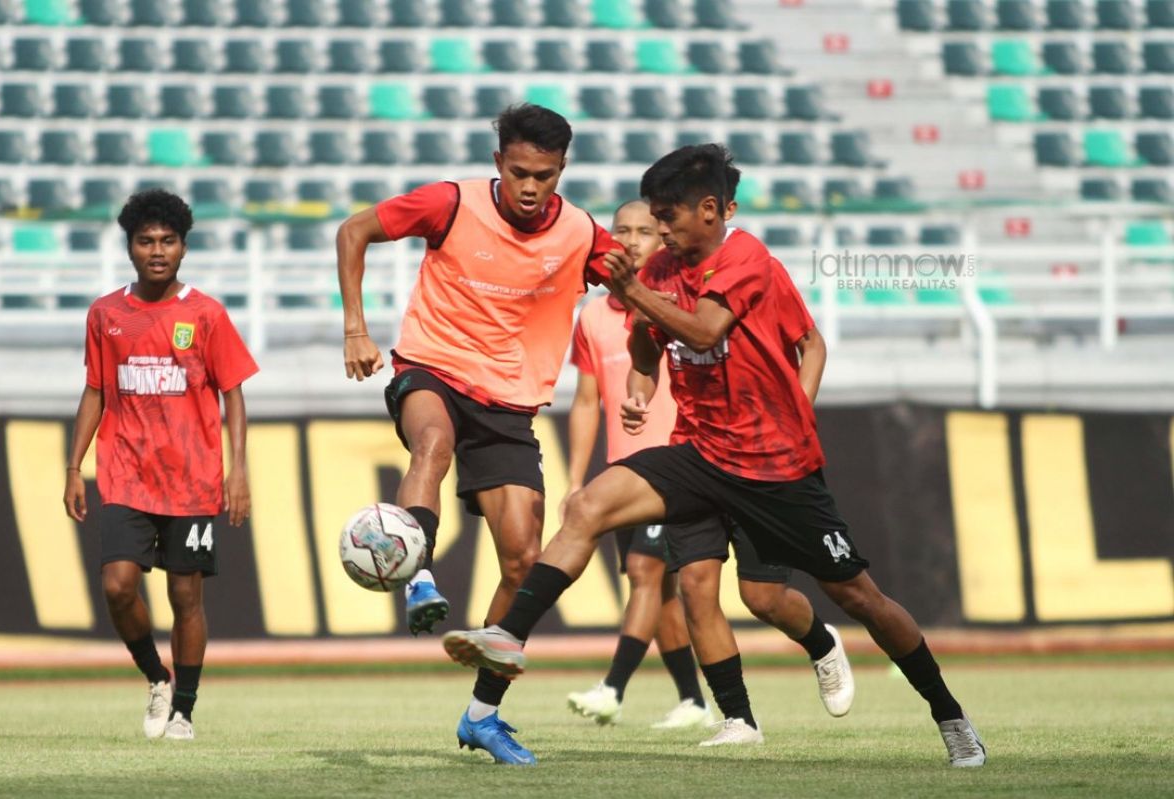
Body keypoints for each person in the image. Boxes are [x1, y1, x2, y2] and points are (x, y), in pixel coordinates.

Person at [442, 145, 987, 768]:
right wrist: (642, 386)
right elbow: (648, 341)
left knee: (858, 597)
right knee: (589, 506)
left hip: (775, 466)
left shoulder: (745, 256)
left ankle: (951, 716)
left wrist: (629, 290)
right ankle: (509, 639)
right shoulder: (662, 270)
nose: (661, 230)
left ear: (709, 210)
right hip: (699, 453)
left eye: (668, 216)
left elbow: (703, 330)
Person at [335, 104, 620, 766]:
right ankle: (417, 576)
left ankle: (482, 715)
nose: (529, 187)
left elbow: (635, 288)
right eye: (518, 171)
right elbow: (355, 231)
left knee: (524, 561)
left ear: (562, 171)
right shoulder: (450, 203)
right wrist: (356, 326)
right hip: (430, 367)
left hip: (509, 404)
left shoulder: (580, 232)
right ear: (498, 163)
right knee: (430, 442)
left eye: (544, 176)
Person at [563, 199, 852, 729]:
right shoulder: (599, 317)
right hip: (674, 463)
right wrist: (627, 404)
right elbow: (595, 395)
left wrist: (796, 416)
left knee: (762, 597)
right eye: (621, 230)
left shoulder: (730, 282)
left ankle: (818, 640)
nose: (632, 241)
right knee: (687, 585)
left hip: (753, 460)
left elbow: (808, 344)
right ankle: (735, 719)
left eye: (648, 230)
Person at [63, 189, 258, 741]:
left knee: (185, 596)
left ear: (183, 247)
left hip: (192, 480)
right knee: (118, 587)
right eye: (145, 241)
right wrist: (74, 466)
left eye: (167, 241)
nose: (156, 250)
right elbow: (95, 391)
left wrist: (237, 470)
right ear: (129, 247)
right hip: (125, 473)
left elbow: (234, 394)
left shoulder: (206, 313)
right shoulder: (106, 313)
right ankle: (156, 678)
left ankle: (185, 711)